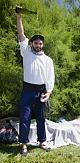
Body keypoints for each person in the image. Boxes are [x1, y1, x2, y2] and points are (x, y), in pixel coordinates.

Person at [16, 11, 55, 155]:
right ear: (32, 43)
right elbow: (21, 35)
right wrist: (19, 17)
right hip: (27, 90)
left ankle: (42, 141)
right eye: (36, 43)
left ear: (42, 44)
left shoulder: (48, 60)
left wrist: (49, 92)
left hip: (41, 91)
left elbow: (51, 77)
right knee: (25, 117)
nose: (38, 45)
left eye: (40, 43)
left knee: (40, 117)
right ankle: (24, 144)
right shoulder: (26, 52)